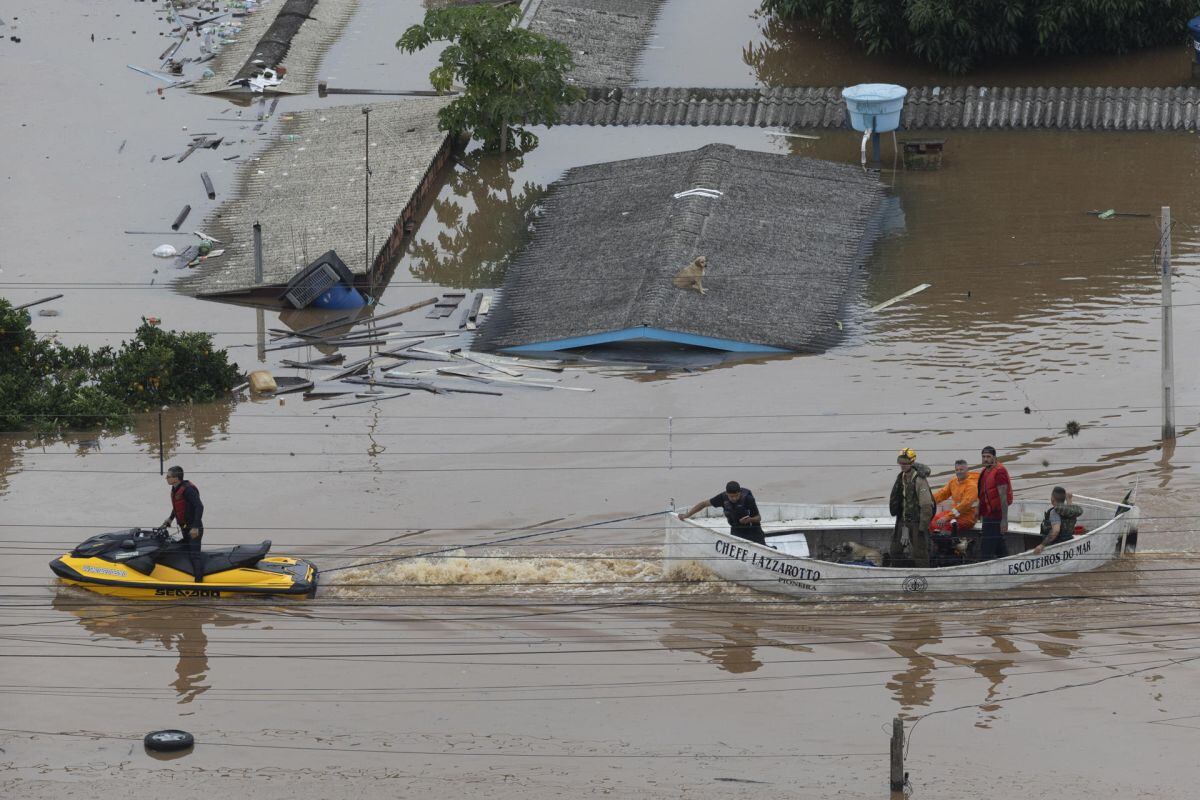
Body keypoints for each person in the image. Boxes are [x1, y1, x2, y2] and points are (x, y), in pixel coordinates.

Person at [678, 481, 766, 545]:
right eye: (731, 496)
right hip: (736, 530)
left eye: (737, 496)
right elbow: (703, 504)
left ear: (740, 493)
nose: (734, 498)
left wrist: (750, 519)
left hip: (753, 531)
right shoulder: (722, 498)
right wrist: (686, 515)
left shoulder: (748, 499)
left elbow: (758, 518)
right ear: (727, 494)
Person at [888, 448, 934, 567]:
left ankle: (924, 575)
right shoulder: (901, 478)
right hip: (902, 521)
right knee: (895, 550)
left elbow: (926, 505)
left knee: (920, 553)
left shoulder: (919, 480)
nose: (902, 466)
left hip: (917, 522)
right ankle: (900, 572)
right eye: (901, 463)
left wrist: (922, 527)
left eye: (905, 463)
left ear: (912, 463)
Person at [162, 465, 205, 582]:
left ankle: (199, 584)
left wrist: (195, 527)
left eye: (168, 476)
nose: (166, 478)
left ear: (176, 478)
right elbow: (179, 506)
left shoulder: (188, 490)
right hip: (185, 528)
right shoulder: (175, 488)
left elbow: (199, 507)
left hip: (194, 529)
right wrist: (170, 519)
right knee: (181, 548)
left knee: (195, 556)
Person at [977, 446, 1012, 560]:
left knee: (986, 549)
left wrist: (1004, 520)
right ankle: (1009, 565)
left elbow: (1003, 497)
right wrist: (979, 511)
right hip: (987, 514)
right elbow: (983, 494)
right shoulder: (985, 471)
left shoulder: (999, 472)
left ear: (994, 457)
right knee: (998, 545)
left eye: (988, 457)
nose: (985, 459)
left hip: (996, 516)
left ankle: (984, 570)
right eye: (983, 456)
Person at [931, 459, 979, 533]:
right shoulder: (953, 481)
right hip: (954, 514)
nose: (959, 472)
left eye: (961, 469)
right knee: (933, 521)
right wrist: (929, 500)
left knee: (945, 525)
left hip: (967, 518)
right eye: (957, 470)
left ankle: (950, 542)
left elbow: (964, 506)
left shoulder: (971, 486)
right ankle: (937, 542)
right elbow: (942, 494)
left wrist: (946, 517)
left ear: (967, 470)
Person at [1033, 487, 1083, 554]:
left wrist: (1042, 545)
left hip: (1056, 545)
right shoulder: (1070, 511)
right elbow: (1070, 511)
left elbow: (1056, 531)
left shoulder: (1054, 512)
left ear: (1052, 499)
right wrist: (1069, 499)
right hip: (1069, 541)